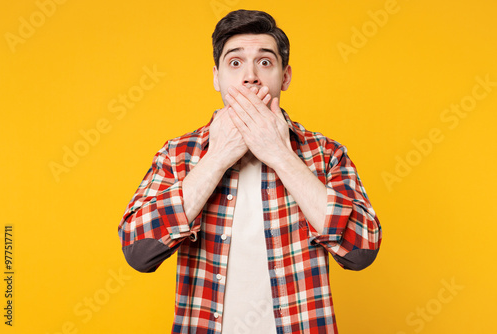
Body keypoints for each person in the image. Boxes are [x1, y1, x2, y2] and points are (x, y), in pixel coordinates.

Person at [118, 9, 382, 334]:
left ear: (285, 76)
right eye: (235, 62)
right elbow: (138, 251)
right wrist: (217, 157)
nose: (250, 76)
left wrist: (281, 154)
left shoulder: (326, 154)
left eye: (265, 62)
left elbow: (362, 250)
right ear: (216, 77)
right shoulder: (178, 154)